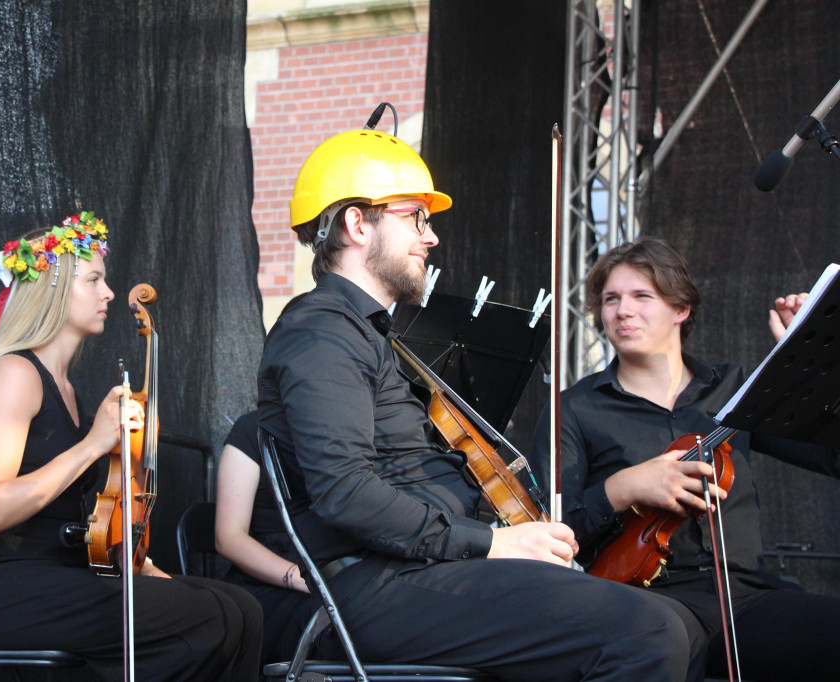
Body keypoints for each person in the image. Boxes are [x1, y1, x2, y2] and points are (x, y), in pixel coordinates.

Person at [257, 125, 708, 681]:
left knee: (676, 624)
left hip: (424, 569)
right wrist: (493, 541)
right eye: (415, 218)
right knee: (648, 631)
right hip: (378, 584)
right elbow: (345, 492)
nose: (431, 238)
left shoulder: (370, 336)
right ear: (356, 223)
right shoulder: (321, 332)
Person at [0, 212, 262, 681]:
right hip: (2, 587)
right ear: (51, 288)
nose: (109, 293)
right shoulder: (13, 374)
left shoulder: (65, 389)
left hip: (61, 575)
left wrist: (137, 563)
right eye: (93, 280)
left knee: (242, 608)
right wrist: (93, 444)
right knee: (210, 617)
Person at [528, 236, 840, 680]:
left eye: (642, 296)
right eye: (611, 299)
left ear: (681, 309)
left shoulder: (735, 388)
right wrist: (625, 487)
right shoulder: (574, 409)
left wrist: (817, 363)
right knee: (655, 638)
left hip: (745, 597)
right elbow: (546, 528)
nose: (622, 311)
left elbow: (832, 456)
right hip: (647, 600)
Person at [215, 409, 320, 665]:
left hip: (328, 569)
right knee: (325, 621)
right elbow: (228, 537)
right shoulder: (252, 429)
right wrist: (299, 577)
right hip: (270, 578)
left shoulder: (346, 433)